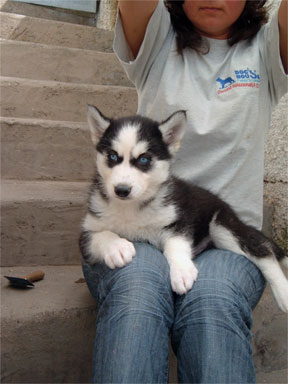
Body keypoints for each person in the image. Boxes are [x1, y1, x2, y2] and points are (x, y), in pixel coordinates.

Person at [82, 0, 287, 382]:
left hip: (223, 239)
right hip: (136, 232)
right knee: (138, 286)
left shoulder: (267, 50)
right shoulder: (158, 36)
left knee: (213, 300)